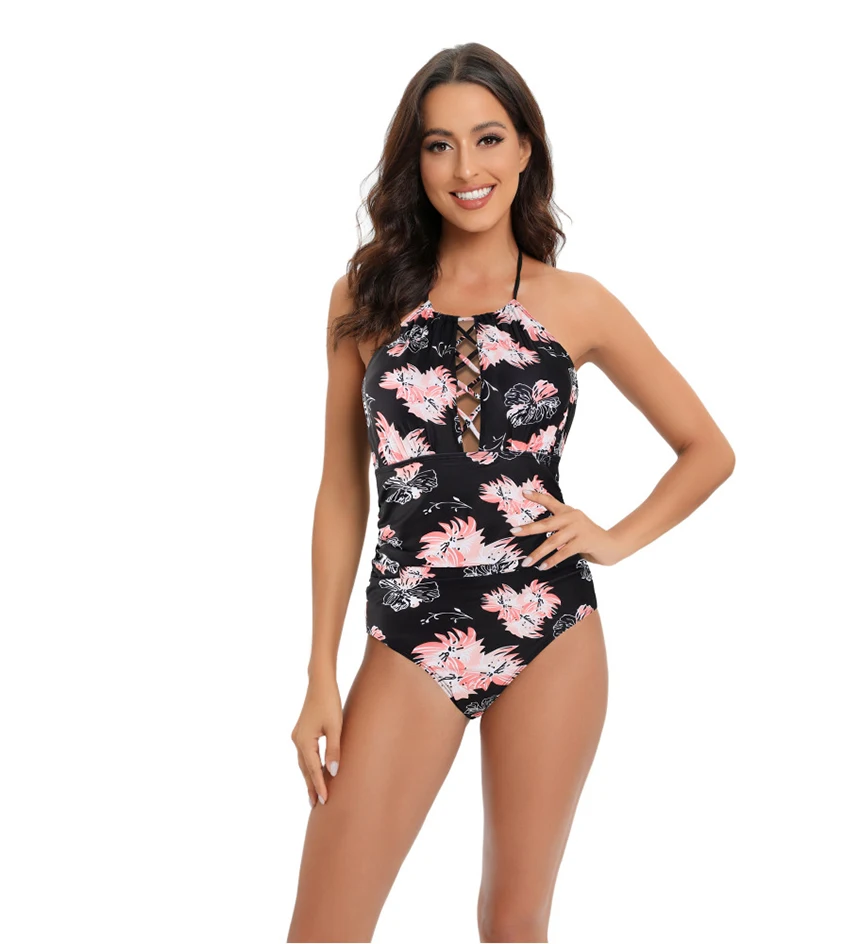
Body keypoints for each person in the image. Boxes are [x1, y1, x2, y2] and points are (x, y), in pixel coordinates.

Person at [287, 42, 735, 944]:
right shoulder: (365, 296)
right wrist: (319, 673)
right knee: (325, 929)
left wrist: (613, 537)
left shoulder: (578, 303)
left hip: (551, 628)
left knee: (513, 922)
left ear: (526, 148)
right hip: (411, 628)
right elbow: (341, 492)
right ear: (415, 161)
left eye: (488, 139)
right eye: (439, 144)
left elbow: (707, 451)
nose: (467, 168)